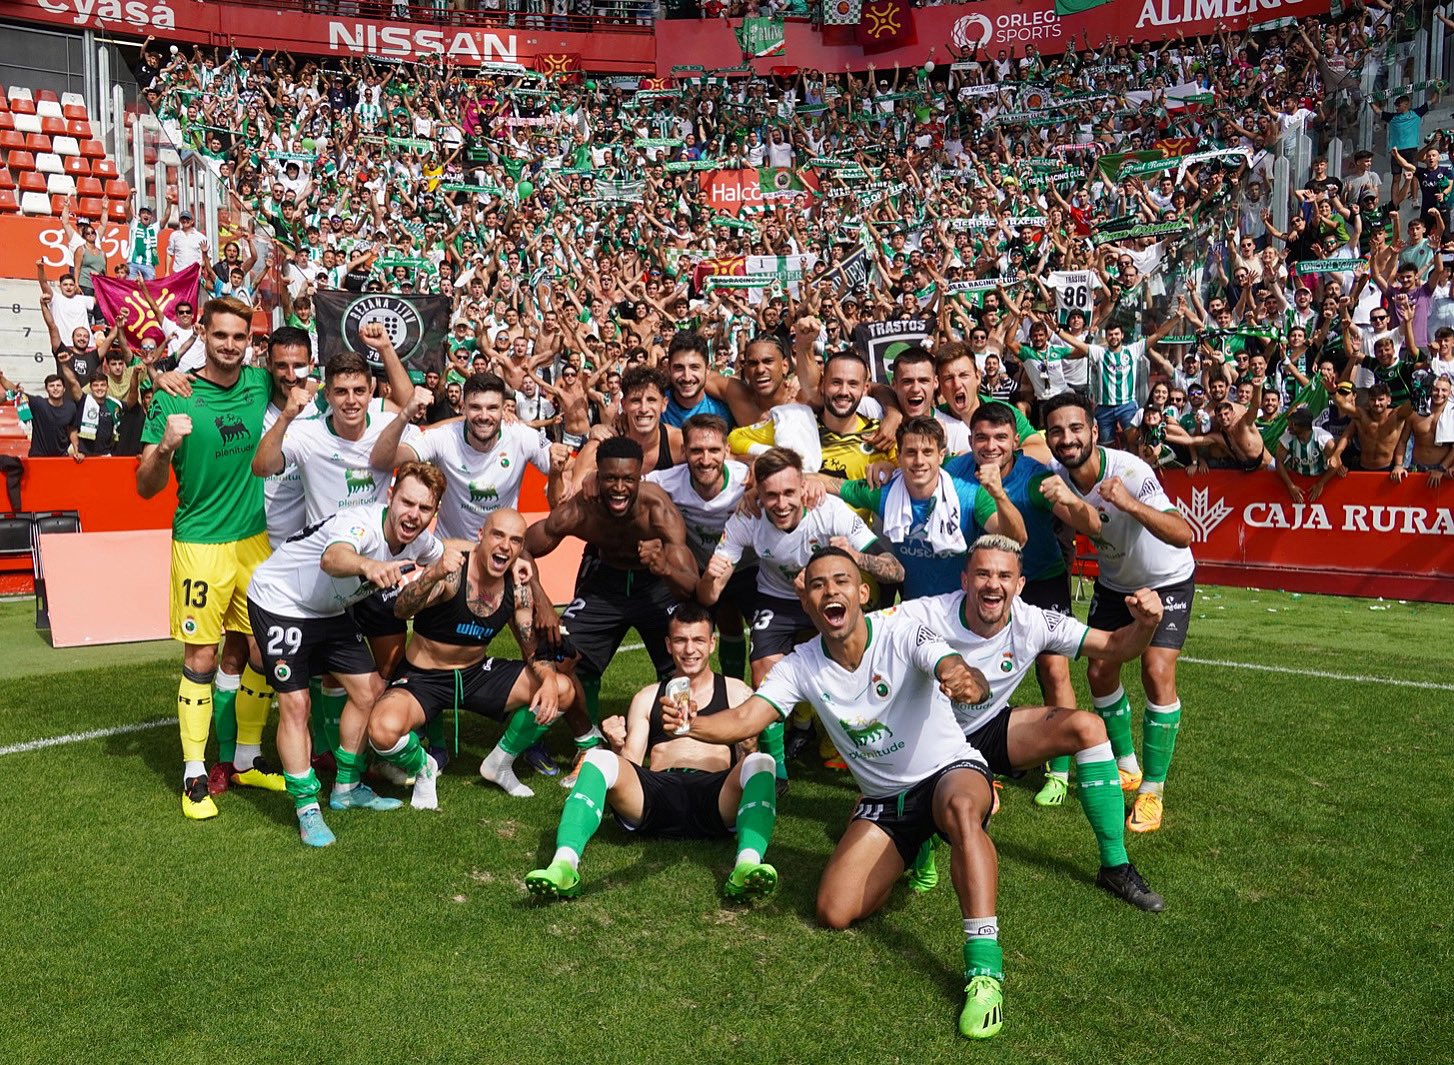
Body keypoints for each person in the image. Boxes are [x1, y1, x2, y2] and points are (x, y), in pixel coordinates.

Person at [658, 548, 1006, 1041]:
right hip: (886, 801)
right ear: (808, 604)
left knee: (961, 808)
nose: (830, 591)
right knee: (834, 911)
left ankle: (984, 970)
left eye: (841, 581)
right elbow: (745, 719)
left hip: (948, 772)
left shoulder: (902, 630)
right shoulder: (801, 665)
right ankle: (916, 844)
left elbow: (947, 661)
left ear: (862, 593)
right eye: (818, 585)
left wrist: (959, 674)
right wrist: (693, 724)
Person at [896, 536, 1166, 910]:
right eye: (983, 574)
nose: (993, 584)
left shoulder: (1033, 621)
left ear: (1019, 585)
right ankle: (920, 828)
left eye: (1005, 575)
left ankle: (1115, 866)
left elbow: (1116, 647)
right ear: (964, 580)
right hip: (928, 739)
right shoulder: (925, 614)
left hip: (987, 730)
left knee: (1088, 728)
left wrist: (1147, 624)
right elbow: (865, 635)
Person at [245, 461, 448, 846]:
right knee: (296, 705)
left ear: (433, 512)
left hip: (329, 610)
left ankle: (346, 788)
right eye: (407, 502)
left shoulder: (420, 540)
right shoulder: (361, 525)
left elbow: (445, 554)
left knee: (369, 690)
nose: (413, 515)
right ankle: (307, 808)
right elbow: (333, 558)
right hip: (281, 602)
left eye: (424, 508)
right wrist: (369, 565)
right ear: (391, 496)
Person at [136, 296, 282, 819]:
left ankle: (246, 759)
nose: (229, 345)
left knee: (261, 654)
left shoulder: (260, 383)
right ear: (204, 332)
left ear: (250, 341)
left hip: (254, 542)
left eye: (239, 337)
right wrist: (165, 447)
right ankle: (194, 773)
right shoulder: (174, 395)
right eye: (220, 335)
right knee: (200, 658)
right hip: (199, 544)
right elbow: (145, 487)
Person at [524, 602, 777, 901]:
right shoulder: (647, 697)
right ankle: (563, 866)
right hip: (658, 795)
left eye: (698, 640)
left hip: (715, 794)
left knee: (762, 762)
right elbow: (631, 762)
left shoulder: (736, 692)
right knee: (599, 757)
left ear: (711, 644)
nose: (689, 649)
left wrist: (749, 746)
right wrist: (616, 745)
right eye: (681, 640)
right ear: (668, 645)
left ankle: (746, 866)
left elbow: (745, 761)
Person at [1041, 393, 1197, 834]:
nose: (1066, 438)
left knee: (1156, 668)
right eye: (1057, 431)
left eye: (1075, 428)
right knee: (1099, 673)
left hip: (1166, 579)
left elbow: (1183, 534)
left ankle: (1152, 789)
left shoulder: (1131, 470)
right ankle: (1126, 765)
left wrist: (1128, 502)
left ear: (1094, 431)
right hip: (1114, 584)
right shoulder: (1056, 478)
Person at [370, 508, 577, 802]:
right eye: (498, 535)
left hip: (475, 675)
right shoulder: (452, 574)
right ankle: (423, 766)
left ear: (520, 549)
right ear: (481, 536)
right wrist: (433, 574)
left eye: (515, 541)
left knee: (562, 689)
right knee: (381, 730)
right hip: (423, 679)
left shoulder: (517, 587)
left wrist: (546, 680)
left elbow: (532, 648)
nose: (505, 546)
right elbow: (401, 609)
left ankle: (499, 763)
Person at [524, 435, 699, 773]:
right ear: (597, 477)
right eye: (610, 479)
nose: (619, 488)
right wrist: (543, 600)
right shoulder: (580, 509)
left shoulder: (658, 511)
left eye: (627, 480)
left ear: (639, 479)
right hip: (606, 582)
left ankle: (680, 740)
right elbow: (525, 547)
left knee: (682, 662)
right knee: (560, 655)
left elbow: (690, 588)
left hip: (655, 585)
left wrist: (663, 565)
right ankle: (584, 741)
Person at [699, 447, 901, 687]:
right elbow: (709, 597)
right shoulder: (747, 517)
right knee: (764, 677)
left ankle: (814, 720)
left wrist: (856, 557)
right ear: (758, 494)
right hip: (777, 600)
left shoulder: (830, 511)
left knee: (848, 671)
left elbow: (896, 571)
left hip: (828, 597)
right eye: (771, 495)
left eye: (789, 493)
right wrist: (711, 578)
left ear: (804, 486)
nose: (781, 504)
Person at [22, 374, 81, 460]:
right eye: (51, 386)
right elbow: (16, 391)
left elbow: (72, 430)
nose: (55, 388)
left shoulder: (71, 407)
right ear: (46, 389)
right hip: (38, 457)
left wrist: (76, 450)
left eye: (58, 385)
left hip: (61, 457)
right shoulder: (38, 404)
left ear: (64, 389)